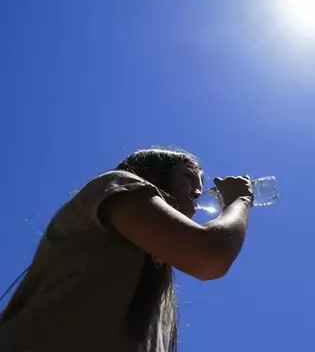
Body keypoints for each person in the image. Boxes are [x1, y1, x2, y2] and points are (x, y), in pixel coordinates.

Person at [0, 148, 255, 352]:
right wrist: (239, 201)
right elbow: (209, 255)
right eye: (188, 178)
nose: (198, 192)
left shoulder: (156, 272)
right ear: (155, 174)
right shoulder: (116, 185)